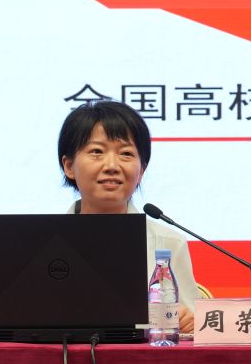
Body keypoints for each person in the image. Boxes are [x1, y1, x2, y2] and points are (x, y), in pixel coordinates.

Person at [58, 99, 198, 335]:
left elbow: (193, 327)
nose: (112, 165)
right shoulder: (43, 242)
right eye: (97, 152)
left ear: (141, 170)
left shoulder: (168, 242)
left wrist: (187, 321)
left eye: (126, 153)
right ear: (69, 166)